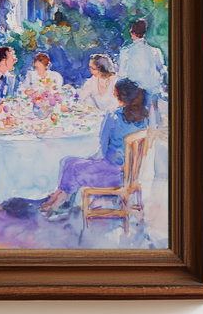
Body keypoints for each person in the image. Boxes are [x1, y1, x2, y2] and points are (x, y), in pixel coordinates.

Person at [39, 81, 150, 217]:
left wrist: (94, 159)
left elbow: (103, 147)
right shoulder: (143, 118)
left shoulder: (114, 116)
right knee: (68, 162)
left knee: (73, 167)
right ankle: (58, 196)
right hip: (129, 174)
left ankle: (61, 202)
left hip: (112, 175)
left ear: (117, 94)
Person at [118, 18, 166, 117]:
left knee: (135, 120)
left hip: (133, 94)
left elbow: (121, 75)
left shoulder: (126, 51)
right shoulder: (155, 51)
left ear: (132, 32)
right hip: (152, 91)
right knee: (153, 119)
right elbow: (162, 71)